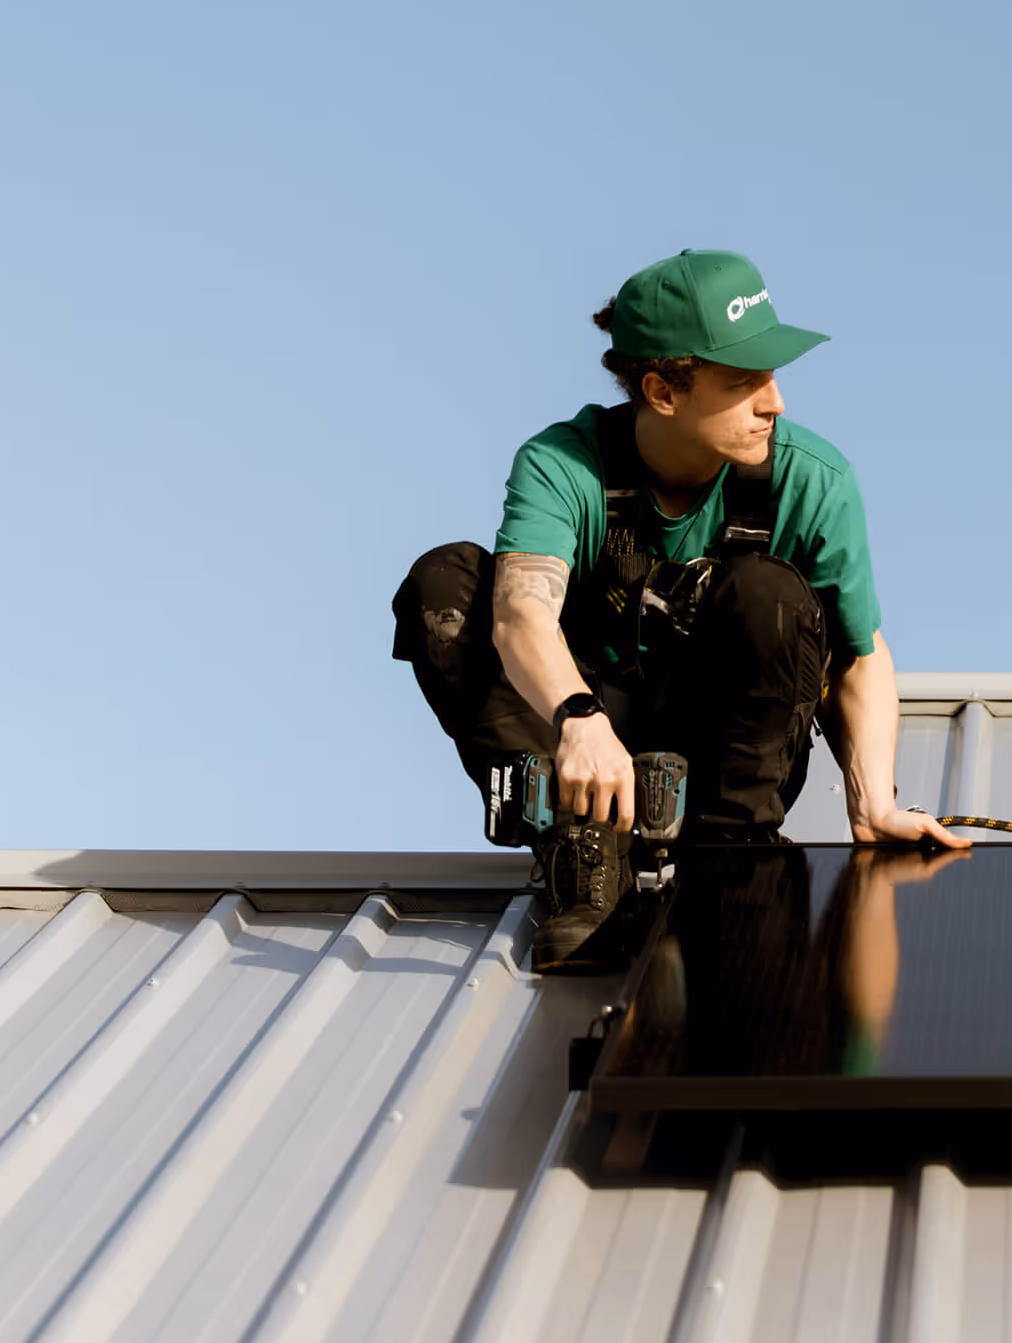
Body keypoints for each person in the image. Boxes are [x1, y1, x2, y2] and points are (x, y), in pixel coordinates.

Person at [393, 248, 968, 973]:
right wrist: (577, 720)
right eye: (744, 381)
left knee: (773, 593)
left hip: (716, 765)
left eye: (774, 375)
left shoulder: (814, 481)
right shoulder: (563, 466)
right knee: (444, 586)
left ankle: (729, 866)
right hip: (587, 746)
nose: (775, 401)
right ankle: (583, 853)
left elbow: (860, 651)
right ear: (662, 390)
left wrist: (872, 800)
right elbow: (518, 614)